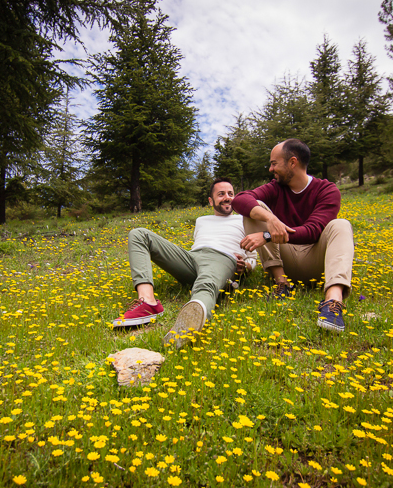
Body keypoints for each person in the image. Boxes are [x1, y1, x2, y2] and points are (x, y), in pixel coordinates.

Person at [112, 178, 256, 348]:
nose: (227, 197)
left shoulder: (244, 220)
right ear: (211, 200)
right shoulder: (202, 220)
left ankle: (190, 324)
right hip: (192, 257)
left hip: (222, 258)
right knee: (139, 234)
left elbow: (252, 257)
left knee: (206, 283)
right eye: (221, 194)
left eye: (231, 194)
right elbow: (200, 243)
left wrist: (245, 267)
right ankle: (148, 302)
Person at [232, 138, 354, 332]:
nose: (271, 169)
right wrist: (270, 219)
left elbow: (314, 230)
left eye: (274, 163)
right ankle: (282, 285)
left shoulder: (327, 190)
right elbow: (240, 199)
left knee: (341, 225)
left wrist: (268, 235)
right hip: (284, 259)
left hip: (316, 262)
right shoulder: (275, 187)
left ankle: (332, 302)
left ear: (292, 162)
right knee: (256, 208)